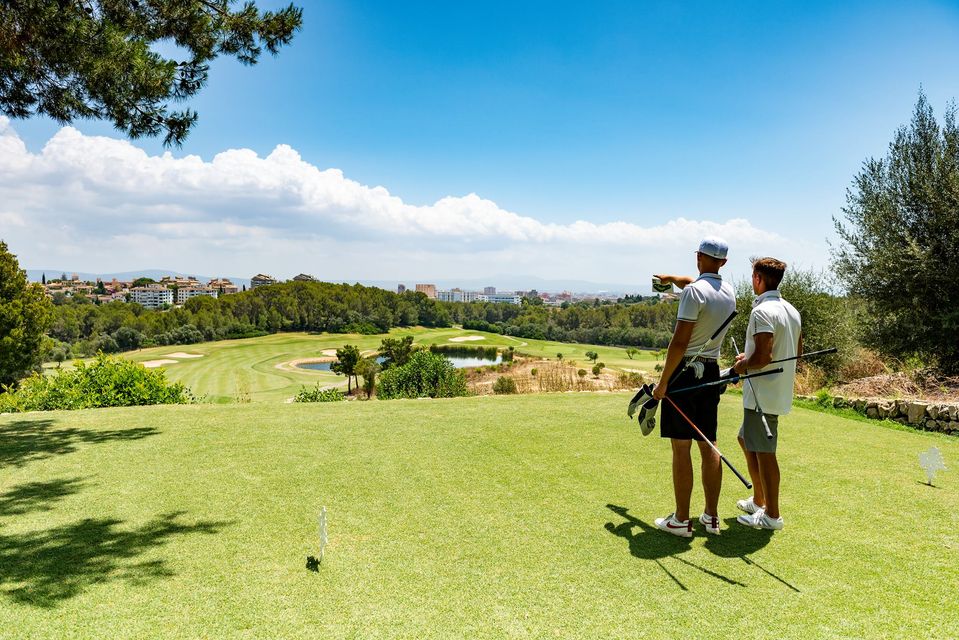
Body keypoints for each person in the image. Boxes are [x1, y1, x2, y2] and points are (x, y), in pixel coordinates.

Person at [651, 237, 736, 537]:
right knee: (708, 442)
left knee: (681, 446)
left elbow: (679, 342)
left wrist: (663, 382)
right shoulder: (729, 292)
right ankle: (711, 517)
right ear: (723, 262)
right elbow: (694, 282)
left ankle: (681, 520)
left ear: (698, 256)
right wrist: (671, 278)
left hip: (685, 373)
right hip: (710, 371)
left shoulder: (693, 294)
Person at [732, 257, 802, 531]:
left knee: (764, 452)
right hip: (776, 391)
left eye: (753, 276)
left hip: (763, 393)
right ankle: (759, 499)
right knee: (744, 439)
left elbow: (764, 356)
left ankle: (772, 514)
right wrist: (749, 356)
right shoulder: (792, 311)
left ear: (758, 279)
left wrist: (742, 365)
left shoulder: (761, 312)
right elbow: (796, 352)